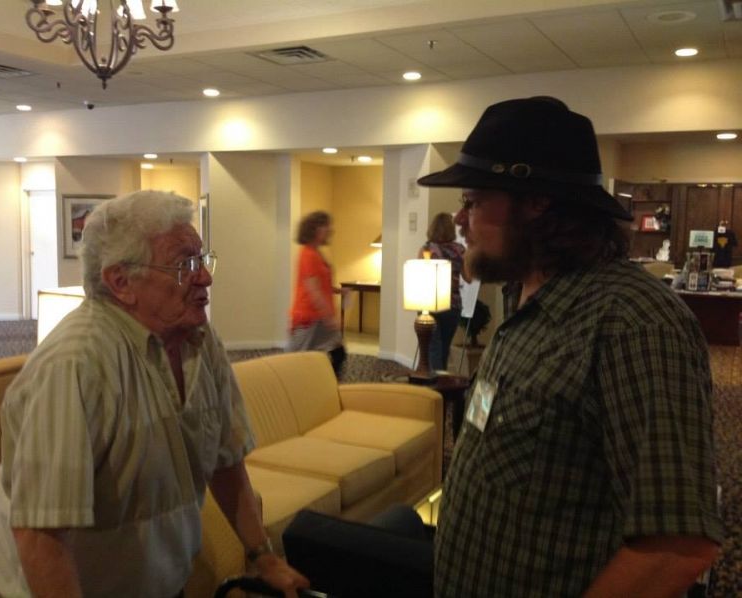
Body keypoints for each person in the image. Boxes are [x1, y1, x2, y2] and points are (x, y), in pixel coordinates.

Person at [417, 97, 722, 597]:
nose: (460, 218)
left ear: (537, 203)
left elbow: (676, 545)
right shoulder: (524, 295)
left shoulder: (631, 321)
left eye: (474, 201)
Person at [0, 190, 308, 598]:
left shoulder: (201, 342)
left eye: (202, 260)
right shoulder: (73, 367)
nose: (205, 277)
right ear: (121, 282)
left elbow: (225, 462)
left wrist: (263, 557)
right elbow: (40, 535)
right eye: (185, 265)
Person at [287, 211, 348, 376]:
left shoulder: (316, 253)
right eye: (325, 226)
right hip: (309, 318)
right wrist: (329, 318)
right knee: (294, 360)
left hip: (320, 317)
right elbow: (313, 290)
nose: (330, 229)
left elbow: (321, 285)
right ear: (314, 229)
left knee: (338, 353)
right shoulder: (307, 254)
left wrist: (338, 290)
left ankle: (326, 384)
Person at [418, 212, 465, 371]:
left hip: (429, 303)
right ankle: (442, 381)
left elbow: (419, 275)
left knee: (432, 349)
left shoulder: (426, 249)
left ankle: (434, 382)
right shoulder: (460, 250)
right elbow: (468, 277)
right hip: (452, 304)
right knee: (444, 349)